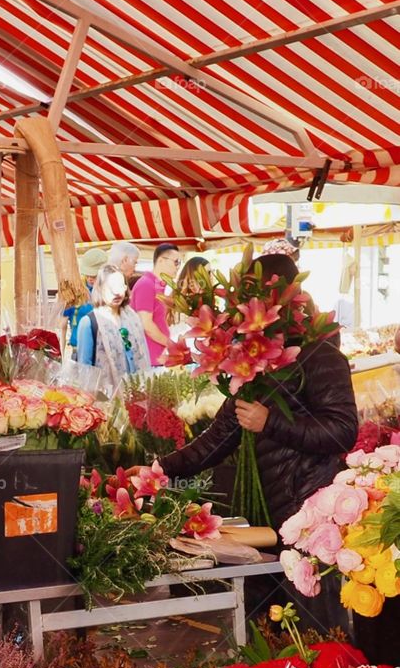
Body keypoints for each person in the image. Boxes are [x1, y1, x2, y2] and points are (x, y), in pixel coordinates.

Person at [147, 253, 358, 634]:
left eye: (260, 295)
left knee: (323, 624)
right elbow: (219, 437)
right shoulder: (252, 361)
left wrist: (270, 422)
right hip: (278, 518)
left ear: (288, 297)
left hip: (318, 517)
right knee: (287, 626)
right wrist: (159, 468)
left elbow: (342, 431)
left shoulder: (321, 356)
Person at [77, 265, 151, 391]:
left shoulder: (133, 317)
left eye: (120, 286)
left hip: (137, 394)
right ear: (100, 289)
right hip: (105, 400)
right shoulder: (89, 323)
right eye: (110, 288)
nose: (116, 293)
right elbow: (85, 371)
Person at [130, 242, 181, 365]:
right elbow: (146, 324)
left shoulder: (157, 285)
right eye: (176, 262)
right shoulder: (146, 285)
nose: (178, 267)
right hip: (149, 360)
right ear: (161, 261)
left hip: (157, 357)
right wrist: (170, 344)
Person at [62, 246, 107, 357]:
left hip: (103, 351)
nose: (90, 278)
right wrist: (60, 356)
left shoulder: (111, 294)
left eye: (94, 275)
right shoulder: (75, 292)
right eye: (88, 274)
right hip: (78, 351)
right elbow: (62, 325)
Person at [168, 255, 209, 340]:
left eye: (212, 272)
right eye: (207, 273)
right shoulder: (182, 302)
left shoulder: (205, 299)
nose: (210, 277)